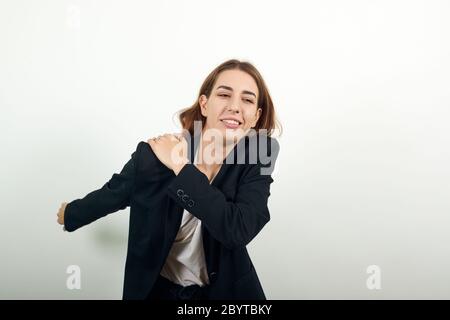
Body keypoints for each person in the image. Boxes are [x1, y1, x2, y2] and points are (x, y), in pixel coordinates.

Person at [57, 59, 281, 300]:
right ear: (204, 105)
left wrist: (182, 168)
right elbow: (115, 193)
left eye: (247, 100)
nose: (235, 107)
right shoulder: (155, 156)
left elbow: (237, 229)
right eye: (224, 95)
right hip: (160, 291)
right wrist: (71, 212)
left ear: (256, 116)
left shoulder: (260, 153)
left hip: (226, 292)